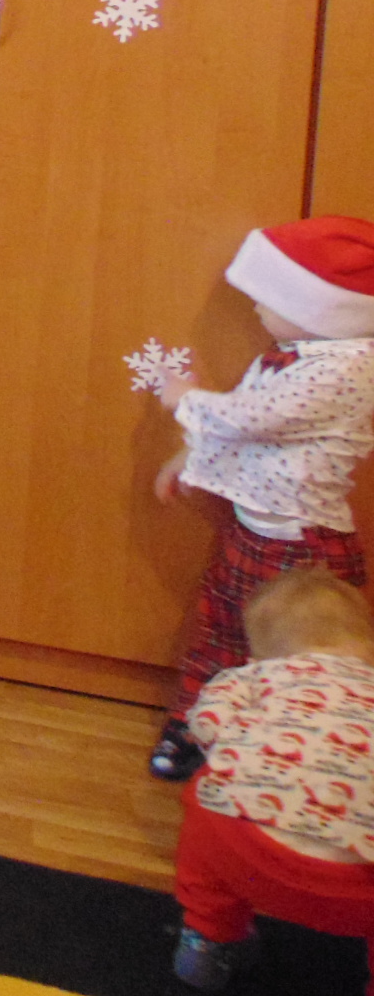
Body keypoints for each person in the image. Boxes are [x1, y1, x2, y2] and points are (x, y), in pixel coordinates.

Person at [151, 215, 374, 782]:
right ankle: (197, 723)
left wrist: (184, 398)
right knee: (220, 630)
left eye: (268, 298)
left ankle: (287, 746)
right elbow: (247, 432)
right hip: (254, 532)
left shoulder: (348, 368)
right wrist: (190, 459)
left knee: (299, 652)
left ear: (320, 310)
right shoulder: (291, 356)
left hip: (303, 545)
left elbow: (253, 418)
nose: (254, 308)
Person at [173, 568, 374, 990]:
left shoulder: (252, 678)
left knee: (209, 789)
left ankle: (207, 941)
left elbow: (206, 724)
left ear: (258, 656)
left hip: (242, 856)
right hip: (357, 892)